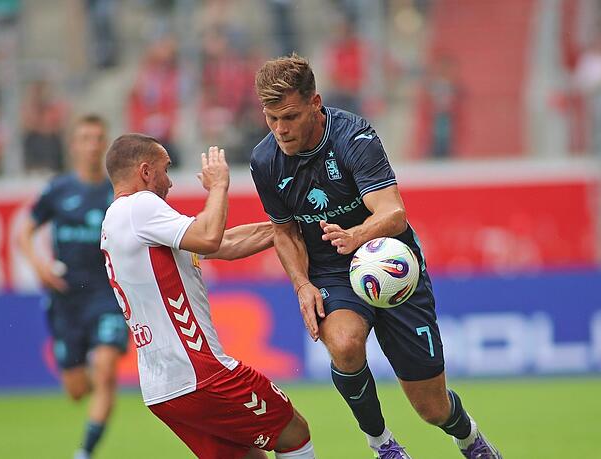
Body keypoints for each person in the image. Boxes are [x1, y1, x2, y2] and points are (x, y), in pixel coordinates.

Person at [250, 54, 502, 459]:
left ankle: (469, 437)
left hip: (391, 263)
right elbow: (285, 231)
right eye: (271, 118)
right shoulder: (265, 160)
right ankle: (382, 444)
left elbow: (393, 212)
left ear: (315, 104)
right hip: (331, 270)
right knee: (345, 343)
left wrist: (357, 235)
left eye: (290, 117)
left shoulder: (354, 137)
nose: (280, 129)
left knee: (432, 408)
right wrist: (302, 285)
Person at [100, 136, 315, 459]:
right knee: (293, 432)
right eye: (165, 169)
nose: (170, 182)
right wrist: (218, 186)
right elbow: (210, 237)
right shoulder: (139, 207)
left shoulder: (117, 221)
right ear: (145, 171)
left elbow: (224, 244)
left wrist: (287, 228)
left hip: (163, 388)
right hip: (200, 373)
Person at [16, 114, 126, 459]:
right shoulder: (58, 190)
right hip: (65, 299)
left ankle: (84, 452)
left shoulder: (116, 192)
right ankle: (100, 386)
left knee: (106, 370)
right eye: (85, 138)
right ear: (74, 145)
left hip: (106, 296)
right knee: (77, 390)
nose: (92, 145)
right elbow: (24, 232)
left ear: (105, 144)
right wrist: (39, 266)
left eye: (98, 138)